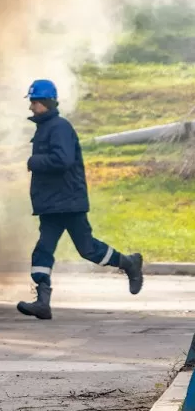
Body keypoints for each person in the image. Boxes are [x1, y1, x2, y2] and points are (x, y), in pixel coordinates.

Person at [18, 79, 143, 320]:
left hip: (67, 202)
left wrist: (34, 162)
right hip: (53, 204)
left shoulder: (59, 127)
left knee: (87, 250)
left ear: (46, 102)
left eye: (34, 101)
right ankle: (42, 302)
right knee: (43, 250)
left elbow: (62, 160)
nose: (31, 107)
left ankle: (129, 263)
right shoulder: (47, 128)